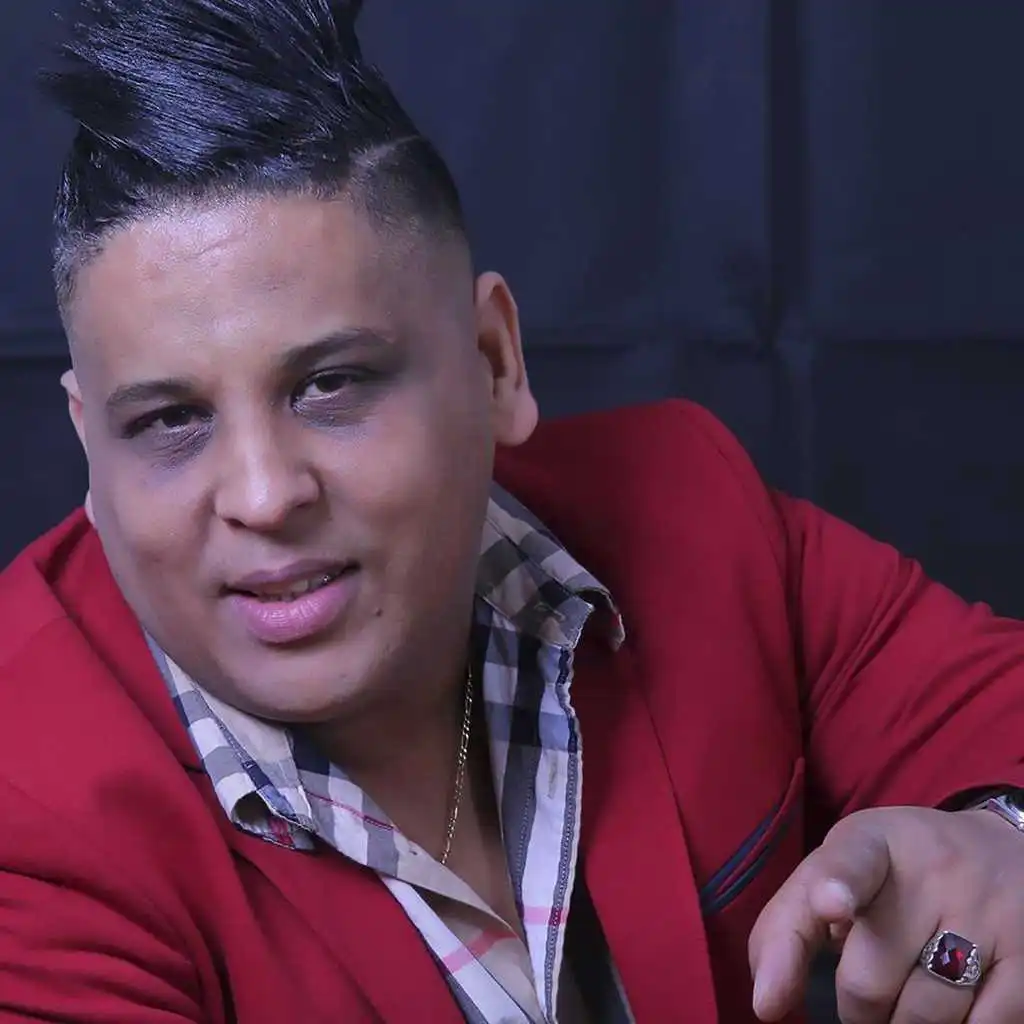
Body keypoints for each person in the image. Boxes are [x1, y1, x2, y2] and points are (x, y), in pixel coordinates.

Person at [1, 0, 1023, 1021]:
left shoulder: (691, 506)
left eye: (330, 384)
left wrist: (1003, 835)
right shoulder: (23, 816)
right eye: (170, 420)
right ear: (92, 445)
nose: (265, 496)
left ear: (495, 361)